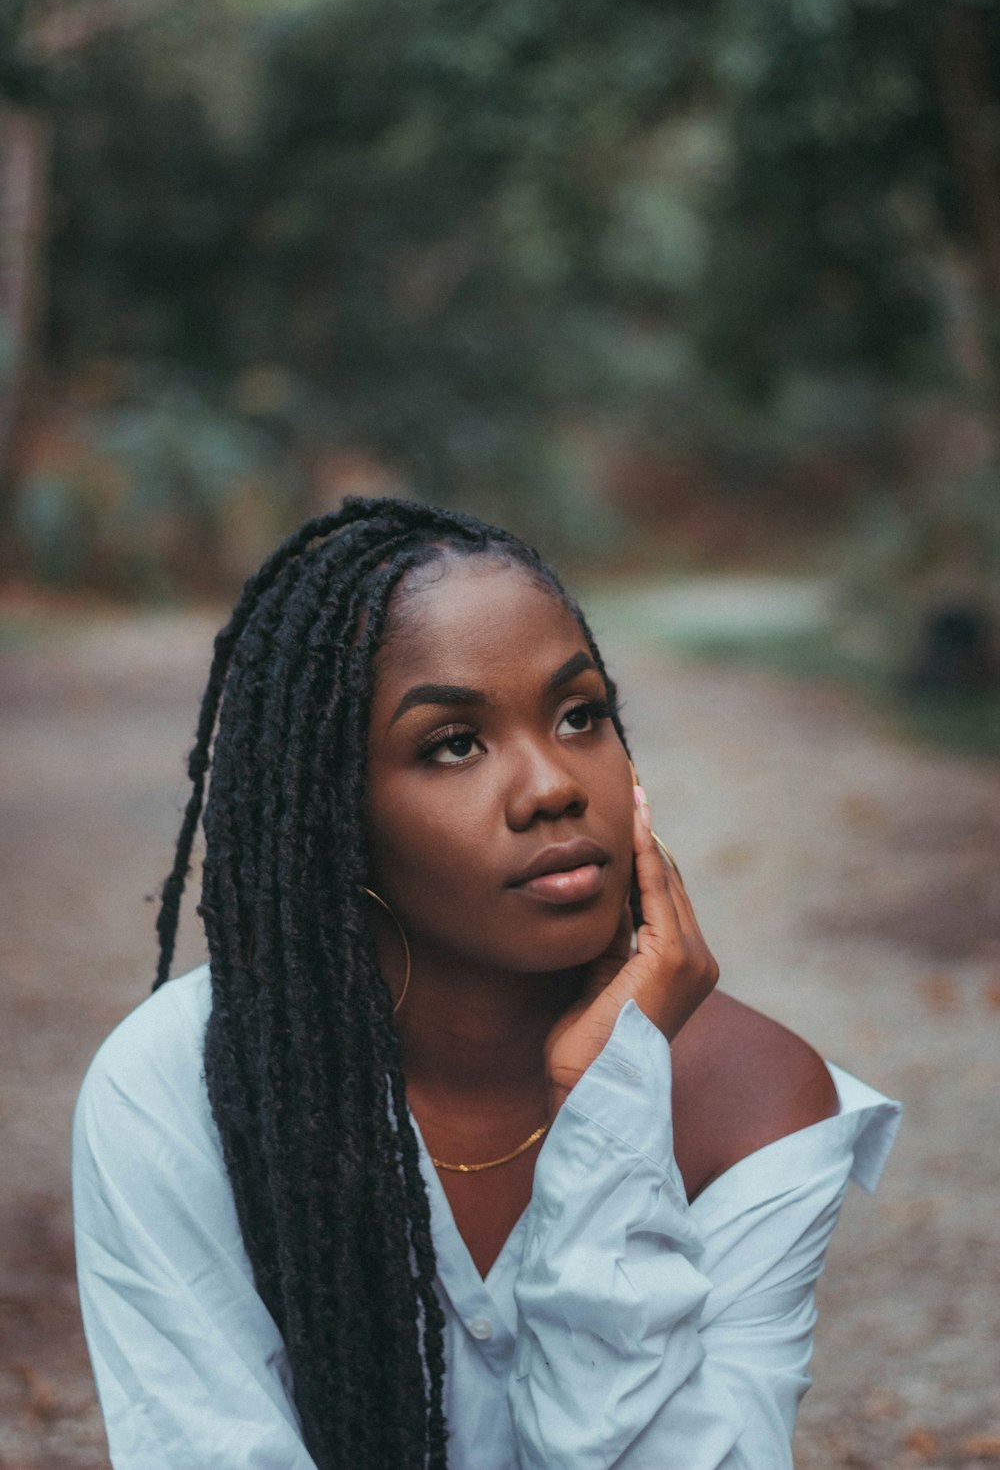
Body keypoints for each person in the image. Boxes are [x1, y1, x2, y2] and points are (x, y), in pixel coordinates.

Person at [72, 496, 900, 1470]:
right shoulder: (178, 1090)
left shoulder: (757, 1101)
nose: (552, 783)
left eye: (579, 714)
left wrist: (609, 1104)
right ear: (335, 819)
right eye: (453, 744)